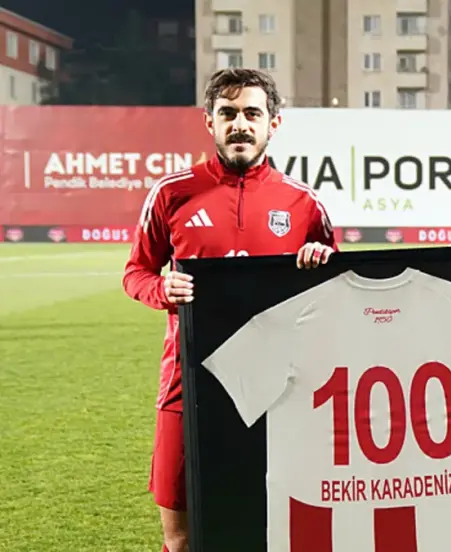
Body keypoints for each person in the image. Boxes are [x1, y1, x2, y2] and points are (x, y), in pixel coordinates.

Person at [122, 67, 338, 552]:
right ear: (210, 122)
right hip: (186, 385)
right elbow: (135, 272)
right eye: (228, 113)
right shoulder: (171, 193)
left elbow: (333, 294)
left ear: (273, 123)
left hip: (279, 390)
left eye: (252, 114)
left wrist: (321, 264)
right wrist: (162, 288)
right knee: (180, 538)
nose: (240, 124)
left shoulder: (304, 204)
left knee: (273, 528)